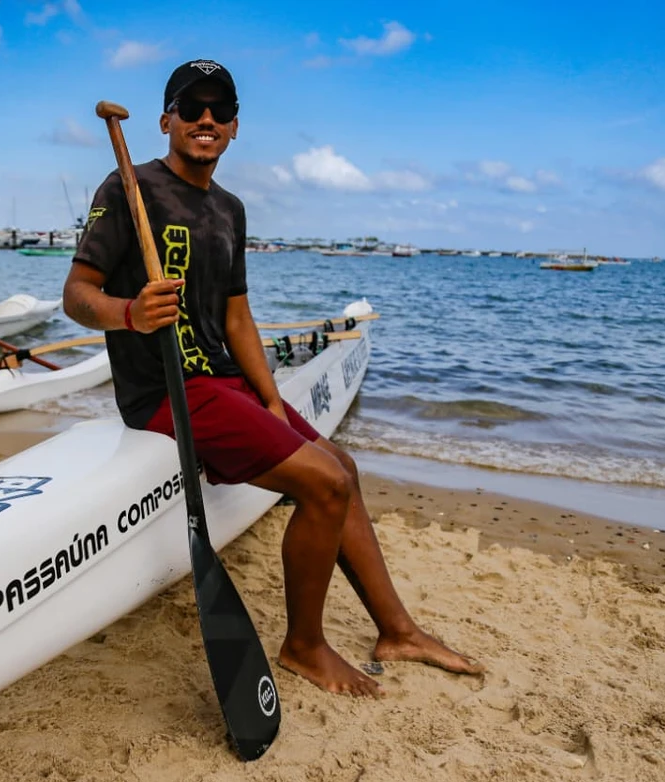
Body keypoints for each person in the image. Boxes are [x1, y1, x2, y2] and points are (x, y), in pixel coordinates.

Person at [62, 59, 482, 697]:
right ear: (166, 120)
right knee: (323, 485)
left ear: (235, 127)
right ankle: (304, 646)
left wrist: (270, 400)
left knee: (342, 466)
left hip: (224, 382)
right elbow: (76, 294)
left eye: (221, 110)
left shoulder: (229, 209)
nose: (206, 119)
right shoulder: (129, 187)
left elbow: (237, 316)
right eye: (192, 107)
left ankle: (397, 631)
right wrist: (129, 313)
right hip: (167, 391)